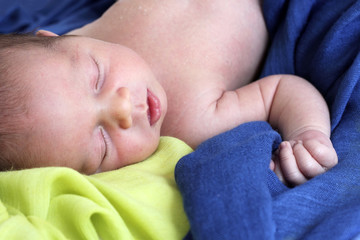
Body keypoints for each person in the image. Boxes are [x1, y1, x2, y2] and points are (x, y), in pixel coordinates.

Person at [0, 0, 337, 186]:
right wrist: (309, 133)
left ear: (52, 38)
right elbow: (282, 91)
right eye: (101, 142)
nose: (120, 108)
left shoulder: (79, 37)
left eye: (96, 78)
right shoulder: (192, 120)